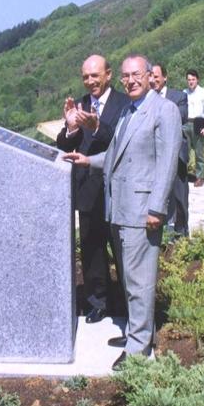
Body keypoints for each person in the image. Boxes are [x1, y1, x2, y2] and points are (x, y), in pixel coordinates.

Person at [64, 54, 181, 370]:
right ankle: (136, 332)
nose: (130, 81)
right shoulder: (130, 110)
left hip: (143, 210)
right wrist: (88, 161)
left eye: (136, 74)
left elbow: (168, 163)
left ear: (150, 76)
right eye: (126, 76)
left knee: (140, 280)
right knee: (130, 278)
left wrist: (157, 208)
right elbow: (114, 154)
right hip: (121, 209)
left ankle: (139, 349)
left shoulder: (164, 110)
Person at [56, 54, 130, 324]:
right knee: (92, 249)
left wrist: (97, 126)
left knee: (122, 249)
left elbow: (122, 141)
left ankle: (128, 302)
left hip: (117, 189)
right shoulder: (80, 104)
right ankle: (98, 301)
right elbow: (64, 144)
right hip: (88, 188)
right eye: (85, 77)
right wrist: (70, 128)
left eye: (95, 75)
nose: (90, 81)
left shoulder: (125, 103)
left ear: (108, 74)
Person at [150, 63, 190, 237]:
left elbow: (181, 116)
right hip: (154, 155)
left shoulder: (179, 96)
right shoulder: (146, 98)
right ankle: (165, 235)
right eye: (150, 76)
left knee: (180, 196)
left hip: (176, 154)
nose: (153, 80)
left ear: (165, 77)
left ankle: (182, 232)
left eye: (156, 76)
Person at [184, 69, 204, 186]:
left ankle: (200, 176)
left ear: (197, 80)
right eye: (189, 80)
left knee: (199, 152)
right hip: (186, 123)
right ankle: (183, 175)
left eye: (193, 79)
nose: (191, 82)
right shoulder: (184, 93)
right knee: (184, 151)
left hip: (198, 123)